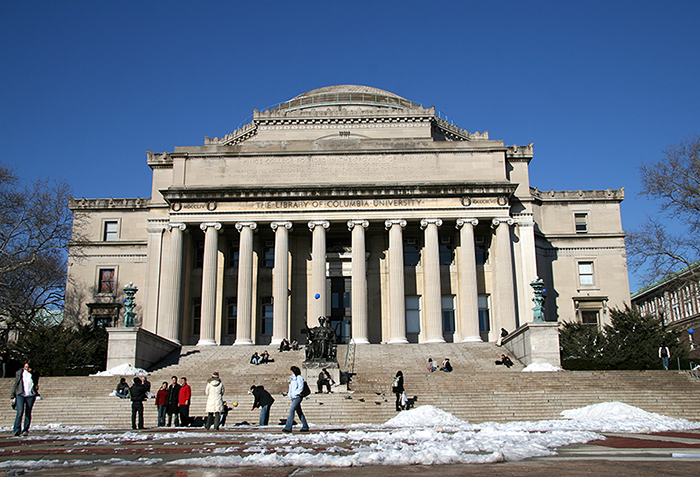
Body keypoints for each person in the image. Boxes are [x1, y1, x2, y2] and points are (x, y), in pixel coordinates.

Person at [11, 361, 39, 437]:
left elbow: (36, 383)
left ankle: (25, 429)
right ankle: (17, 429)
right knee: (20, 411)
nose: (26, 368)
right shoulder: (20, 373)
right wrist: (12, 396)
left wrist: (32, 373)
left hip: (30, 395)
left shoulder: (34, 373)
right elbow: (16, 384)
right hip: (21, 394)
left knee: (28, 412)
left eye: (28, 367)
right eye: (25, 367)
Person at [283, 366, 309, 433]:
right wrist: (290, 395)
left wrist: (296, 393)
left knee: (292, 410)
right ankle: (305, 426)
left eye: (291, 371)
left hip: (297, 397)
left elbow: (301, 386)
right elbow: (291, 388)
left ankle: (288, 427)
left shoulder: (299, 377)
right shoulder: (292, 379)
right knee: (299, 412)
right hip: (293, 397)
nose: (290, 372)